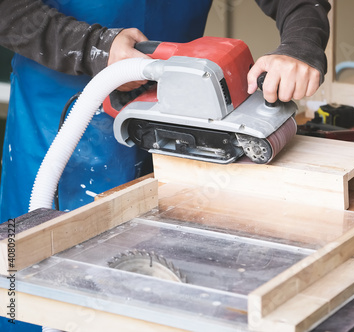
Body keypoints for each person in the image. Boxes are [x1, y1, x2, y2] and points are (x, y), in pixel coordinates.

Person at [0, 0, 329, 326]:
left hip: (179, 116)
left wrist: (301, 43)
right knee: (41, 284)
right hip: (61, 116)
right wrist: (93, 47)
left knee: (158, 291)